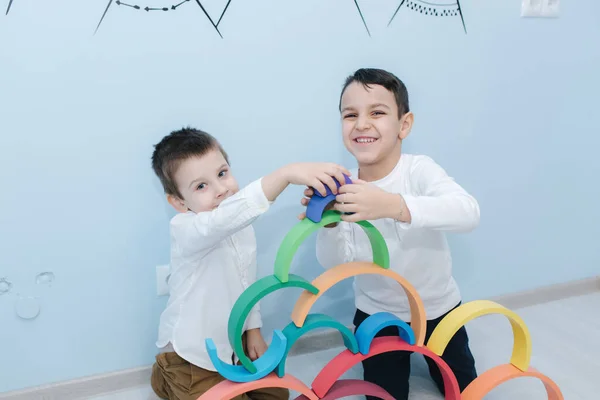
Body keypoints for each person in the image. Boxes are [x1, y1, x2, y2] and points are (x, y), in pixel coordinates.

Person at [299, 68, 480, 400]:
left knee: (466, 390)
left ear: (404, 125)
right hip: (378, 313)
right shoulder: (343, 186)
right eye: (350, 114)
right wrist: (329, 225)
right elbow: (336, 264)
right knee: (384, 395)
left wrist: (393, 205)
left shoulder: (418, 170)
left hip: (438, 307)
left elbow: (468, 212)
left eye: (377, 112)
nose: (362, 123)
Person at [150, 127, 350, 400]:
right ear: (179, 202)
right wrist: (285, 174)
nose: (221, 189)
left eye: (222, 173)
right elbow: (222, 221)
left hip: (232, 346)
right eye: (201, 186)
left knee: (277, 395)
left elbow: (247, 283)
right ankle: (167, 376)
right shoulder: (186, 229)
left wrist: (253, 331)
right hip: (190, 357)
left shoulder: (241, 228)